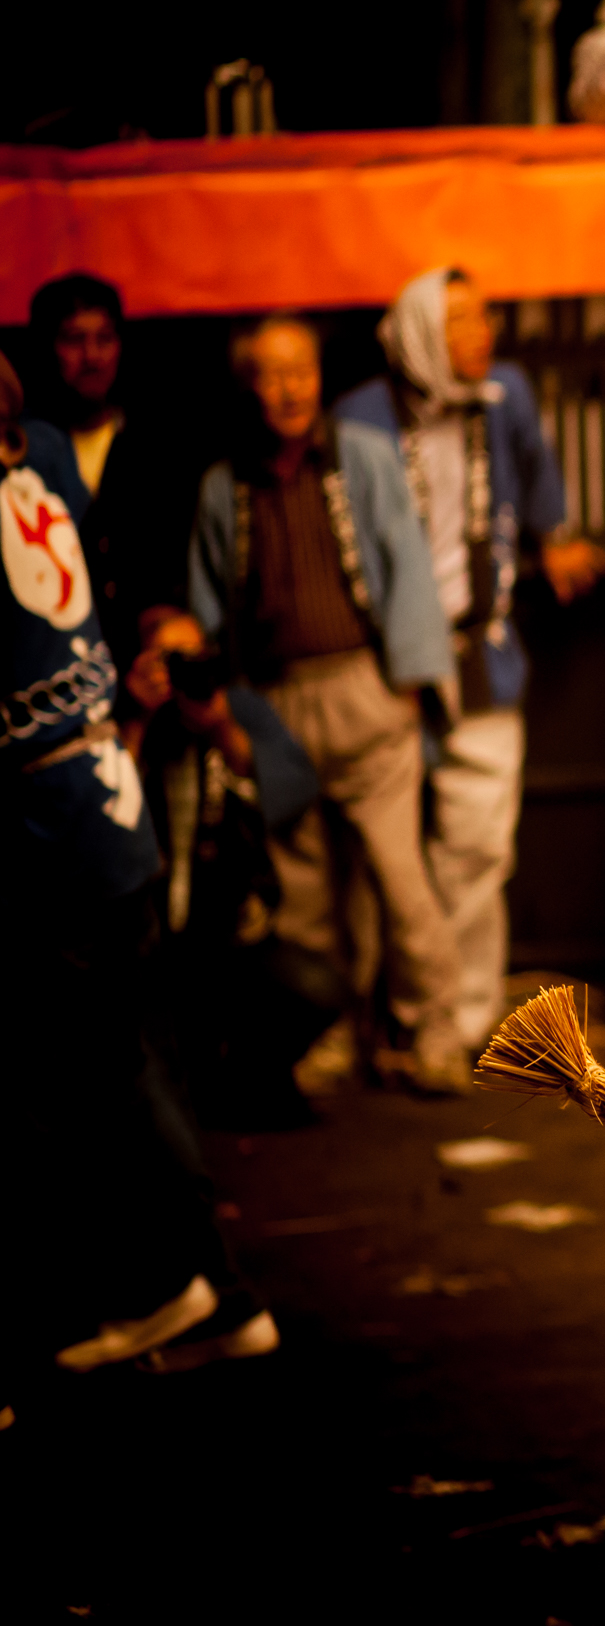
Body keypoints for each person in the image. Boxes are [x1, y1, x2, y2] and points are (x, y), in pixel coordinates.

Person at [2, 351, 274, 1417]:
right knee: (126, 1065)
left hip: (53, 829)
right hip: (107, 806)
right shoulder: (53, 458)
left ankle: (169, 1287)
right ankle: (209, 1294)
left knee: (86, 1080)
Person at [186, 314, 465, 1091]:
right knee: (303, 894)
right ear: (248, 386)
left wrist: (407, 681)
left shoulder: (363, 459)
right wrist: (226, 706)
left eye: (300, 371)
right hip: (275, 703)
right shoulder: (224, 484)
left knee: (400, 878)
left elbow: (407, 567)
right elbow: (210, 603)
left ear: (319, 377)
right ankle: (327, 1036)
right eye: (270, 375)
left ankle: (436, 1031)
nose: (288, 390)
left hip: (366, 689)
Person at [336, 267, 604, 1053]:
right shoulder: (361, 418)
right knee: (382, 852)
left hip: (482, 644)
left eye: (485, 316)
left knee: (480, 840)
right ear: (418, 332)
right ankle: (383, 1015)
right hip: (384, 660)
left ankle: (466, 1015)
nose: (480, 334)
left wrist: (552, 533)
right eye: (457, 321)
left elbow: (536, 460)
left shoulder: (505, 395)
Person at [19, 272, 207, 676]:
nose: (92, 356)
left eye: (105, 339)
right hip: (55, 679)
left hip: (150, 675)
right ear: (45, 347)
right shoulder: (22, 457)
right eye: (74, 340)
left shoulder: (157, 448)